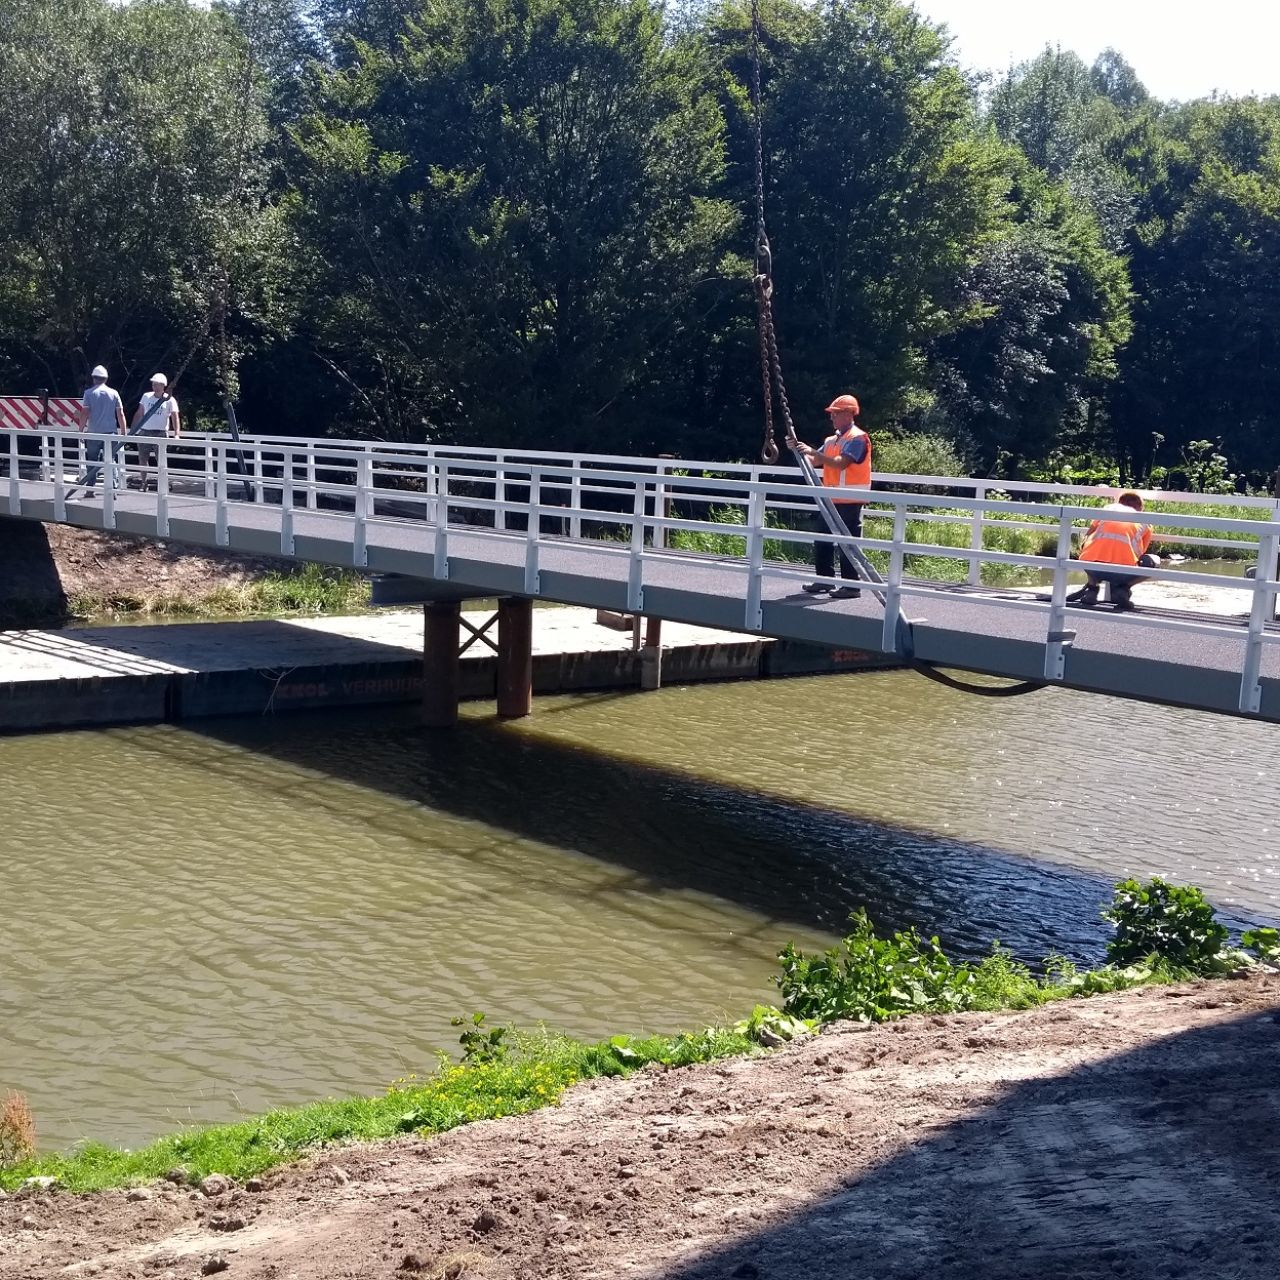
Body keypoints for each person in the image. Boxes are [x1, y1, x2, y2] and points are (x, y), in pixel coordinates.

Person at [795, 393, 871, 599]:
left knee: (847, 544)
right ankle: (825, 580)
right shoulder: (832, 440)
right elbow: (815, 460)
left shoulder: (858, 438)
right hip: (831, 499)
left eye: (835, 413)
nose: (832, 417)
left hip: (850, 499)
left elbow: (841, 463)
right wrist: (800, 451)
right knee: (822, 538)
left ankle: (851, 586)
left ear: (848, 414)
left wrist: (814, 453)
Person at [1073, 491, 1152, 611]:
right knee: (1152, 563)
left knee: (1090, 548)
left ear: (1119, 502)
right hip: (1122, 571)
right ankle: (1123, 589)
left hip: (1092, 568)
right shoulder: (1145, 522)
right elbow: (1141, 553)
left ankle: (1092, 589)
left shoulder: (1108, 509)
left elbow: (1088, 534)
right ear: (1140, 507)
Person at [78, 365, 126, 495]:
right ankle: (113, 489)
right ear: (106, 379)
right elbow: (120, 413)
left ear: (94, 378)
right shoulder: (114, 393)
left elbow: (84, 413)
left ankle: (90, 489)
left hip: (93, 433)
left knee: (92, 461)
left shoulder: (89, 393)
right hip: (111, 433)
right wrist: (123, 432)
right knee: (111, 460)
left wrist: (81, 431)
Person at [130, 373, 180, 491]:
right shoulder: (146, 396)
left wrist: (177, 433)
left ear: (163, 386)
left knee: (161, 460)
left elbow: (175, 417)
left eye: (157, 384)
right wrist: (133, 429)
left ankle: (162, 483)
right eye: (153, 384)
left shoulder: (169, 399)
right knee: (143, 458)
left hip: (161, 433)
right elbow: (140, 412)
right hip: (145, 431)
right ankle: (143, 482)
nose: (155, 387)